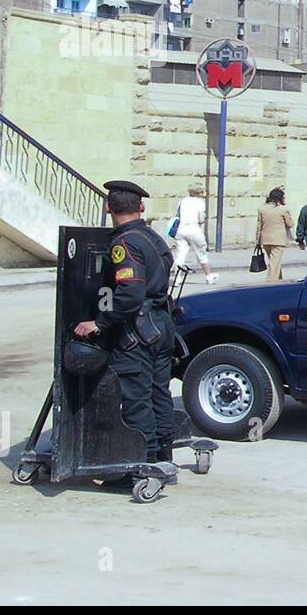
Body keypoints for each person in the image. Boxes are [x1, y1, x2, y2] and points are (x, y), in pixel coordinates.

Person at [72, 180, 177, 465]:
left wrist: (99, 323)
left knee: (136, 396)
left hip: (138, 330)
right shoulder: (153, 238)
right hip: (161, 325)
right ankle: (164, 452)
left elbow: (131, 293)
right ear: (140, 207)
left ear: (108, 208)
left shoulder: (124, 243)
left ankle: (144, 463)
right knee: (159, 391)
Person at [172, 183, 218, 285]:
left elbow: (177, 214)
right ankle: (209, 276)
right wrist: (202, 220)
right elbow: (201, 218)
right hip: (193, 228)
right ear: (200, 192)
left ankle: (177, 279)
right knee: (201, 252)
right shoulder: (200, 202)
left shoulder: (182, 201)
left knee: (181, 253)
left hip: (181, 229)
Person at [256, 187, 294, 282]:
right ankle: (271, 282)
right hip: (278, 240)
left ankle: (279, 280)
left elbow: (259, 226)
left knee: (274, 261)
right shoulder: (283, 209)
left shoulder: (262, 209)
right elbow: (290, 224)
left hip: (265, 239)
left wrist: (257, 241)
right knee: (274, 262)